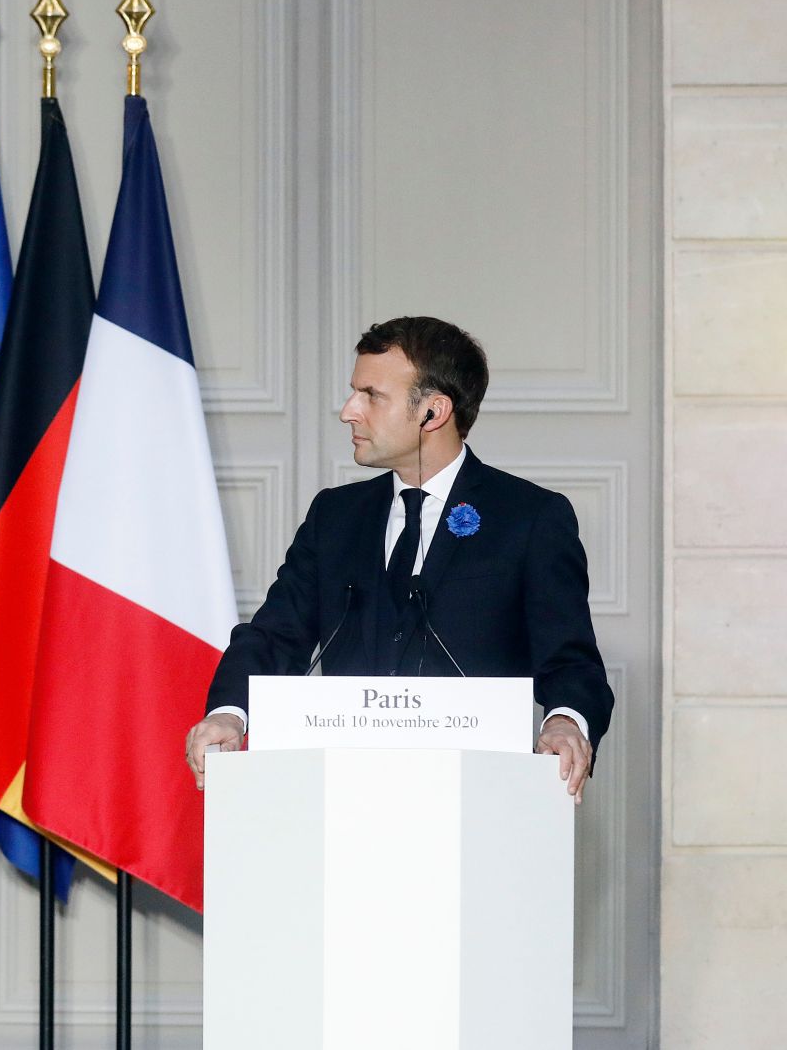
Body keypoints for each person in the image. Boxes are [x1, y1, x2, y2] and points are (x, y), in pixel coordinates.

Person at [184, 316, 614, 801]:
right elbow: (275, 635)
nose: (349, 411)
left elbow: (572, 663)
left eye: (371, 395)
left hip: (480, 803)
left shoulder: (530, 518)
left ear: (433, 412)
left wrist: (564, 721)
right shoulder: (335, 516)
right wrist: (229, 712)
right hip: (341, 798)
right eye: (354, 392)